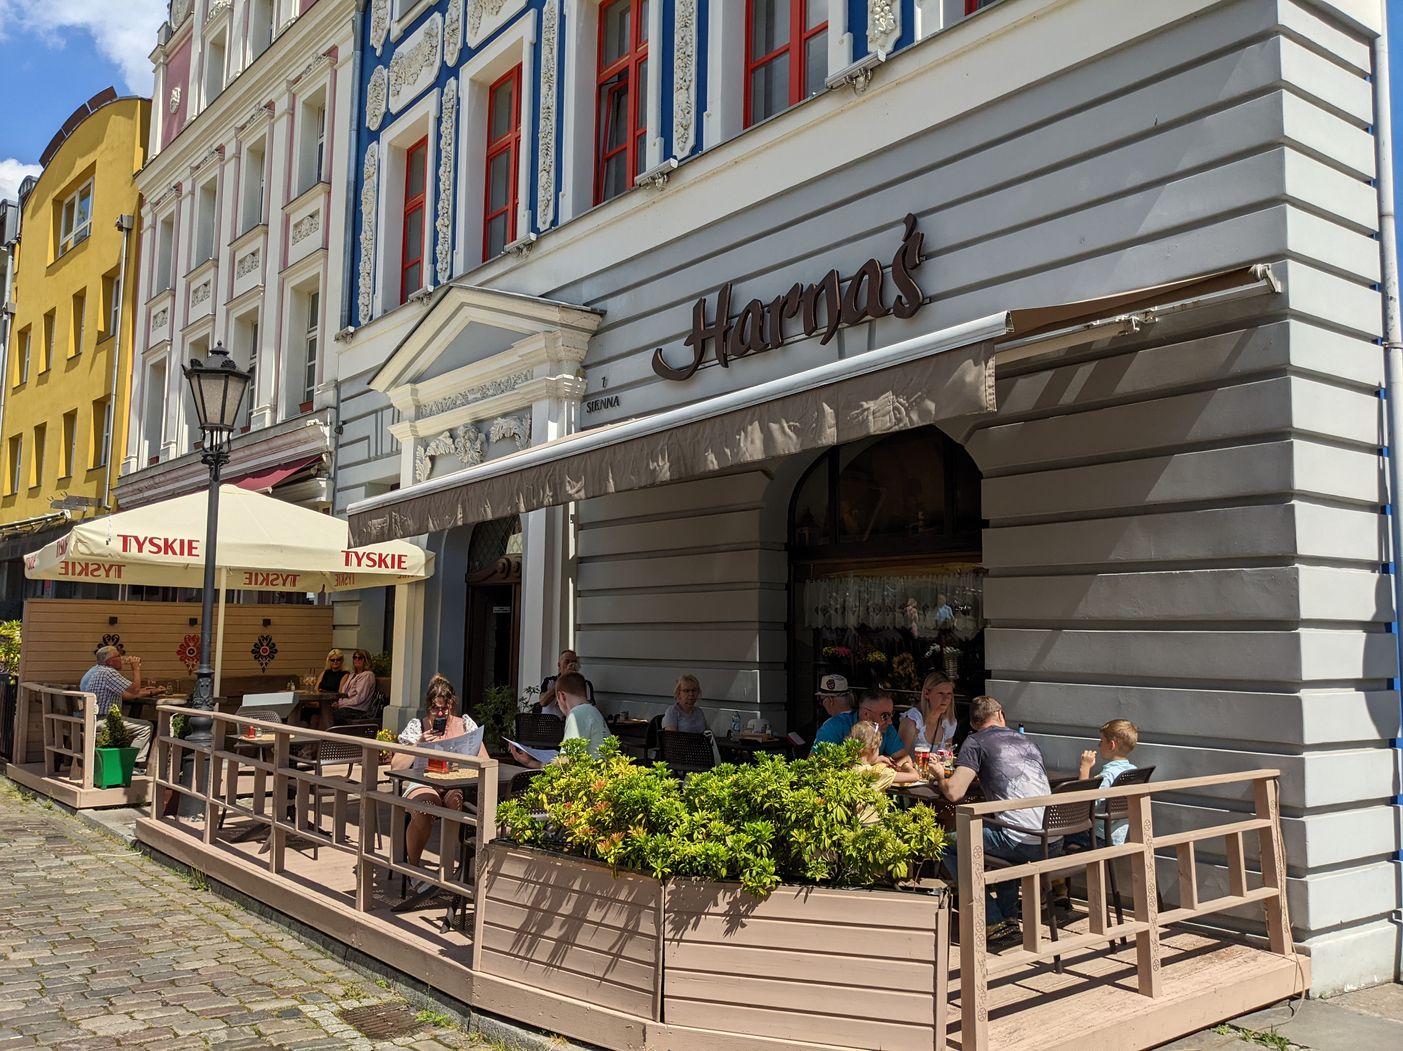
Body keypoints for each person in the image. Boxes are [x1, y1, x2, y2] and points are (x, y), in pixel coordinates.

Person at [928, 695, 1055, 941]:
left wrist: (939, 775)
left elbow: (954, 793)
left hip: (1020, 841)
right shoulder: (1027, 741)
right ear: (1000, 715)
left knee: (946, 843)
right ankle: (1008, 918)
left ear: (973, 724)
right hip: (1051, 838)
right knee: (999, 836)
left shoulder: (975, 742)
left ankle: (992, 919)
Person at [391, 675, 488, 868]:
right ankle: (414, 867)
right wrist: (418, 744)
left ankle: (448, 868)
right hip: (424, 782)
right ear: (428, 707)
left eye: (445, 708)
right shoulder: (418, 726)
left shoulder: (464, 724)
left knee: (455, 803)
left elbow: (485, 760)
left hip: (454, 783)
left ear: (452, 704)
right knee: (425, 807)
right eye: (435, 709)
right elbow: (396, 766)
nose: (441, 714)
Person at [79, 646, 160, 768]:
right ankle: (132, 765)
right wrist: (136, 668)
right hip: (102, 719)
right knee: (146, 727)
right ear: (110, 661)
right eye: (118, 656)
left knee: (135, 724)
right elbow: (134, 690)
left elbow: (126, 694)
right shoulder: (109, 673)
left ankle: (127, 759)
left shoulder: (99, 671)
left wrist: (151, 692)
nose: (122, 658)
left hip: (92, 718)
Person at [509, 672, 610, 767]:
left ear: (561, 696)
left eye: (557, 702)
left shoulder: (576, 714)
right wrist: (532, 763)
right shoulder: (593, 712)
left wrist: (531, 763)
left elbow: (565, 765)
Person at [1077, 718, 1139, 846]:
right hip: (1119, 836)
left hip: (1099, 837)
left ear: (1111, 745)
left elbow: (1084, 806)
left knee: (1059, 837)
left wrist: (1085, 768)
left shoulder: (1108, 775)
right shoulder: (1134, 771)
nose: (1099, 745)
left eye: (1101, 741)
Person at [813, 687, 912, 763]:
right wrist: (875, 763)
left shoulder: (886, 728)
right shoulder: (835, 726)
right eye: (884, 715)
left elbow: (904, 758)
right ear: (866, 714)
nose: (890, 721)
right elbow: (815, 763)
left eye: (891, 714)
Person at [849, 720, 922, 794]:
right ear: (873, 749)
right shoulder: (878, 773)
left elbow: (864, 762)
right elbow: (915, 777)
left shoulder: (848, 764)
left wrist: (878, 759)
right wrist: (906, 765)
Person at [898, 672, 961, 755]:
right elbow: (900, 759)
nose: (946, 699)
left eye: (949, 694)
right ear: (926, 694)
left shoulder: (948, 723)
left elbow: (947, 757)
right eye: (941, 693)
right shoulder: (912, 722)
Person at [538, 649, 595, 715]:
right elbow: (543, 702)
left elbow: (588, 708)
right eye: (567, 662)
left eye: (574, 662)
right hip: (551, 720)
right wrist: (561, 682)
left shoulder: (585, 684)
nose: (571, 665)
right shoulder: (549, 681)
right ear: (559, 665)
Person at [332, 649, 377, 724]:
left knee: (337, 714)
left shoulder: (367, 675)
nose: (357, 660)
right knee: (326, 710)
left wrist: (341, 704)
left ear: (366, 660)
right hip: (347, 706)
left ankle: (339, 731)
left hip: (359, 709)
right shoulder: (352, 675)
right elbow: (344, 693)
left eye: (360, 658)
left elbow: (360, 698)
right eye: (355, 657)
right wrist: (339, 703)